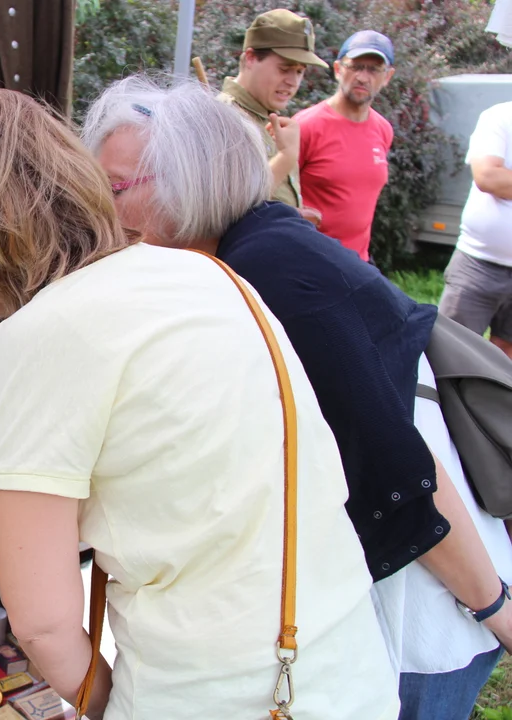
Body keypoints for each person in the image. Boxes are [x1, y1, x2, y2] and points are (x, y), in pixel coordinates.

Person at [0, 85, 399, 719]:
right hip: (350, 666)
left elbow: (43, 623)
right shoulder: (213, 273)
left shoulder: (38, 337)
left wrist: (119, 707)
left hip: (216, 695)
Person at [84, 74, 512, 719]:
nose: (102, 208)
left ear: (190, 180)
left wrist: (496, 608)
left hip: (429, 577)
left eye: (115, 187)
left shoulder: (274, 269)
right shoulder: (219, 259)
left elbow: (397, 467)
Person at [295, 30, 396, 262]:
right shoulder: (306, 126)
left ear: (387, 76)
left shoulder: (383, 129)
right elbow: (275, 196)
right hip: (311, 261)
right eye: (356, 66)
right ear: (338, 69)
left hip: (358, 263)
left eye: (373, 69)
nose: (363, 77)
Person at [217, 8, 327, 218]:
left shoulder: (268, 115)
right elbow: (229, 211)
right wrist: (285, 158)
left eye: (299, 71)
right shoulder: (223, 117)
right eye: (284, 69)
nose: (293, 82)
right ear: (250, 58)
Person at [438, 100, 512, 361]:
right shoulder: (500, 116)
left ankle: (497, 404)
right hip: (477, 264)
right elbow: (488, 177)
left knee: (506, 359)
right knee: (450, 354)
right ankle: (445, 404)